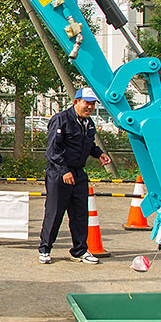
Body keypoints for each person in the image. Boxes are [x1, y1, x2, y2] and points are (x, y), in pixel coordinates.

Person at [38, 88, 111, 264]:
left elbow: (88, 144)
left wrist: (98, 153)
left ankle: (79, 250)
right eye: (87, 103)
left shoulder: (89, 123)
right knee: (54, 212)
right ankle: (45, 249)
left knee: (80, 214)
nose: (90, 107)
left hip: (78, 173)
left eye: (93, 104)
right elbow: (53, 151)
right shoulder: (60, 120)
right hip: (59, 172)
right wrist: (64, 171)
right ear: (76, 101)